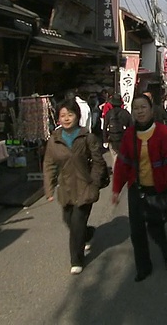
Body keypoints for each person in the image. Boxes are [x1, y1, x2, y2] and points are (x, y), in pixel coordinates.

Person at [111, 93, 167, 282]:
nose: (139, 111)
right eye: (136, 108)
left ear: (151, 110)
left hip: (157, 190)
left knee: (155, 228)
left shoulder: (162, 132)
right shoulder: (129, 134)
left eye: (143, 107)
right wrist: (116, 189)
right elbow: (122, 164)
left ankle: (166, 251)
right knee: (136, 231)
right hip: (137, 190)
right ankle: (143, 267)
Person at [43, 99, 107, 275]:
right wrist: (49, 189)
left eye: (70, 114)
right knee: (69, 221)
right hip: (66, 189)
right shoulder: (54, 140)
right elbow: (48, 165)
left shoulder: (87, 136)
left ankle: (76, 259)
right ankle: (87, 233)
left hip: (85, 186)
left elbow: (98, 161)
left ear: (77, 116)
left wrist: (94, 182)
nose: (66, 118)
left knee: (77, 223)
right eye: (63, 115)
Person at [103, 94, 133, 167]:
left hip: (112, 139)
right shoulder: (126, 113)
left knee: (115, 158)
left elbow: (104, 128)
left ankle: (116, 174)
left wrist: (105, 140)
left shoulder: (109, 114)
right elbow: (132, 128)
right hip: (124, 139)